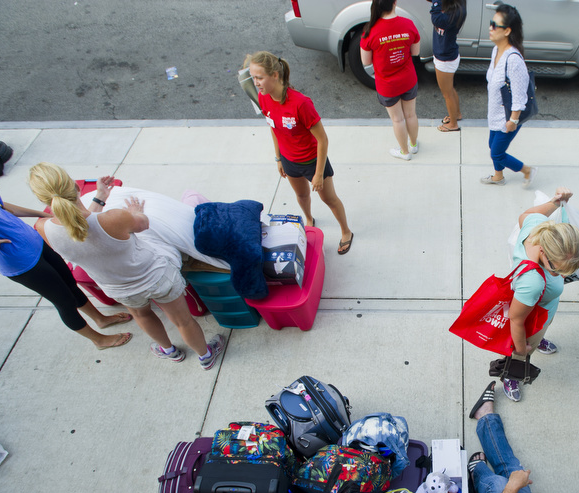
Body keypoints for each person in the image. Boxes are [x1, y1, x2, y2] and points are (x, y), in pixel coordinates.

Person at [27, 162, 225, 369]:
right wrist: (135, 211)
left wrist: (99, 198)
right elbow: (143, 223)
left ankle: (169, 351)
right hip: (156, 276)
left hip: (118, 287)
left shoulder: (42, 228)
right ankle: (205, 355)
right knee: (183, 321)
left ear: (44, 200)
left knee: (143, 315)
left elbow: (79, 228)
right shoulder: (114, 218)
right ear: (75, 188)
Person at [0, 138, 132, 350]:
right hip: (19, 261)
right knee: (64, 302)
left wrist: (40, 214)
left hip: (32, 240)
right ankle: (98, 340)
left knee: (70, 284)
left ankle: (100, 319)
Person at [245, 51, 355, 256]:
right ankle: (309, 220)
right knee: (301, 195)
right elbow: (273, 127)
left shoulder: (301, 103)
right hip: (289, 160)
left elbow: (322, 139)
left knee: (329, 199)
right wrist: (278, 158)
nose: (256, 83)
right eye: (253, 78)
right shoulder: (263, 98)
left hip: (313, 162)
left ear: (275, 75)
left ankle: (346, 231)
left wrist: (319, 174)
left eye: (259, 77)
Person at [503, 186, 579, 402]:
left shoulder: (540, 230)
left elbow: (526, 215)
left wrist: (556, 202)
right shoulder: (533, 282)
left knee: (538, 333)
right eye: (557, 270)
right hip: (532, 318)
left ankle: (539, 339)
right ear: (544, 252)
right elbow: (516, 319)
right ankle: (511, 373)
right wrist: (522, 347)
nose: (560, 275)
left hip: (542, 309)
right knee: (521, 350)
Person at [481, 4, 537, 187]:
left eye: (494, 25)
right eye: (491, 23)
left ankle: (527, 170)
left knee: (496, 153)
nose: (490, 28)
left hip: (508, 117)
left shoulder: (513, 60)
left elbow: (520, 95)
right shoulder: (496, 50)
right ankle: (498, 177)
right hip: (495, 113)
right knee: (493, 146)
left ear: (507, 31)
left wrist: (513, 121)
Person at [360, 0, 421, 161]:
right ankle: (414, 145)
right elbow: (415, 52)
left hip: (387, 84)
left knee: (398, 119)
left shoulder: (369, 31)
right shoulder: (408, 24)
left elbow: (366, 62)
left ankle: (404, 152)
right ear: (394, 3)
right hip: (408, 79)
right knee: (411, 114)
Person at [430, 0, 467, 132]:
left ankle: (453, 124)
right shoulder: (457, 5)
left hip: (445, 59)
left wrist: (435, 2)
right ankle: (456, 114)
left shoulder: (452, 14)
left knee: (447, 94)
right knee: (449, 90)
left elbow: (436, 18)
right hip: (448, 55)